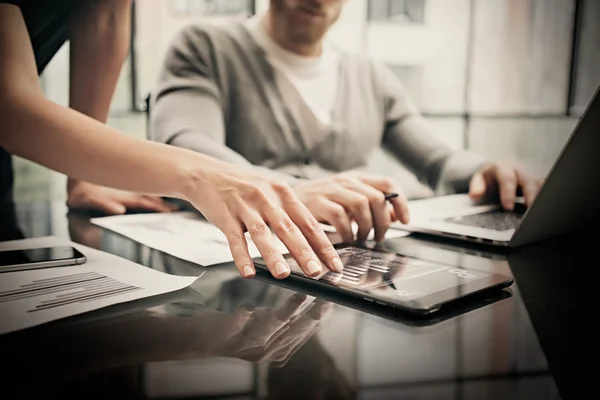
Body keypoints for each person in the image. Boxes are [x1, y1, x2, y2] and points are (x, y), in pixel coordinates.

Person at [0, 0, 345, 280]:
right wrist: (196, 174)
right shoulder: (206, 45)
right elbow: (11, 112)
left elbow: (105, 17)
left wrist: (82, 180)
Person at [151, 0, 543, 243]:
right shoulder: (204, 47)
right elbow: (185, 144)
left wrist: (484, 170)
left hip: (353, 266)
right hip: (240, 271)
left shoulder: (370, 76)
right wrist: (289, 191)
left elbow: (438, 160)